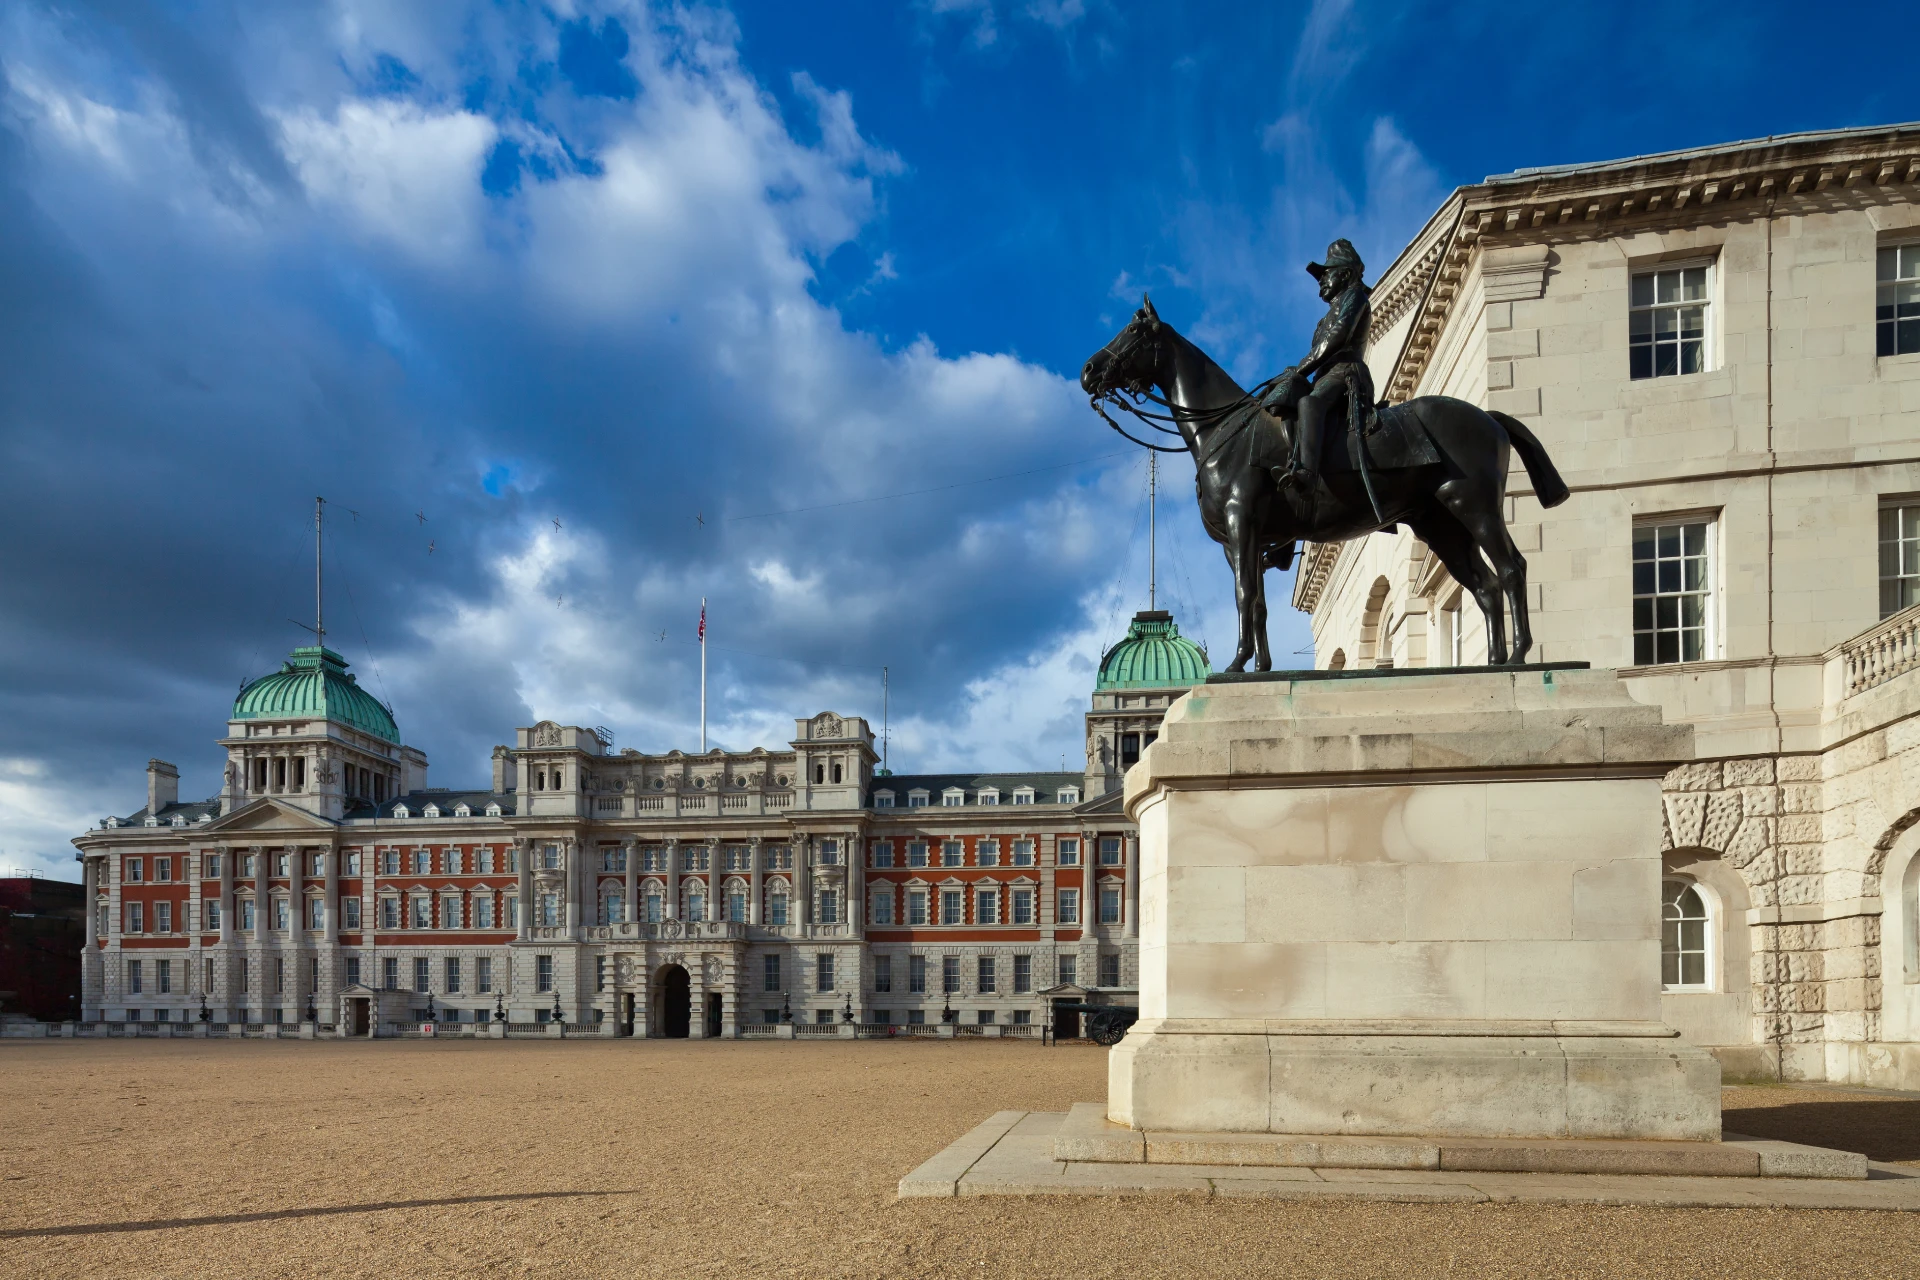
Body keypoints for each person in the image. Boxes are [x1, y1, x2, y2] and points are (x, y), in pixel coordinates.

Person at [1266, 238, 1374, 491]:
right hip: (1325, 377)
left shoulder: (1355, 296)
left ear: (1346, 273)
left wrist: (1302, 368)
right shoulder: (1324, 318)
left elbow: (1339, 336)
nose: (1321, 282)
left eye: (1327, 274)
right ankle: (1293, 458)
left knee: (1309, 403)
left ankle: (1307, 473)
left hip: (1346, 374)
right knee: (1284, 394)